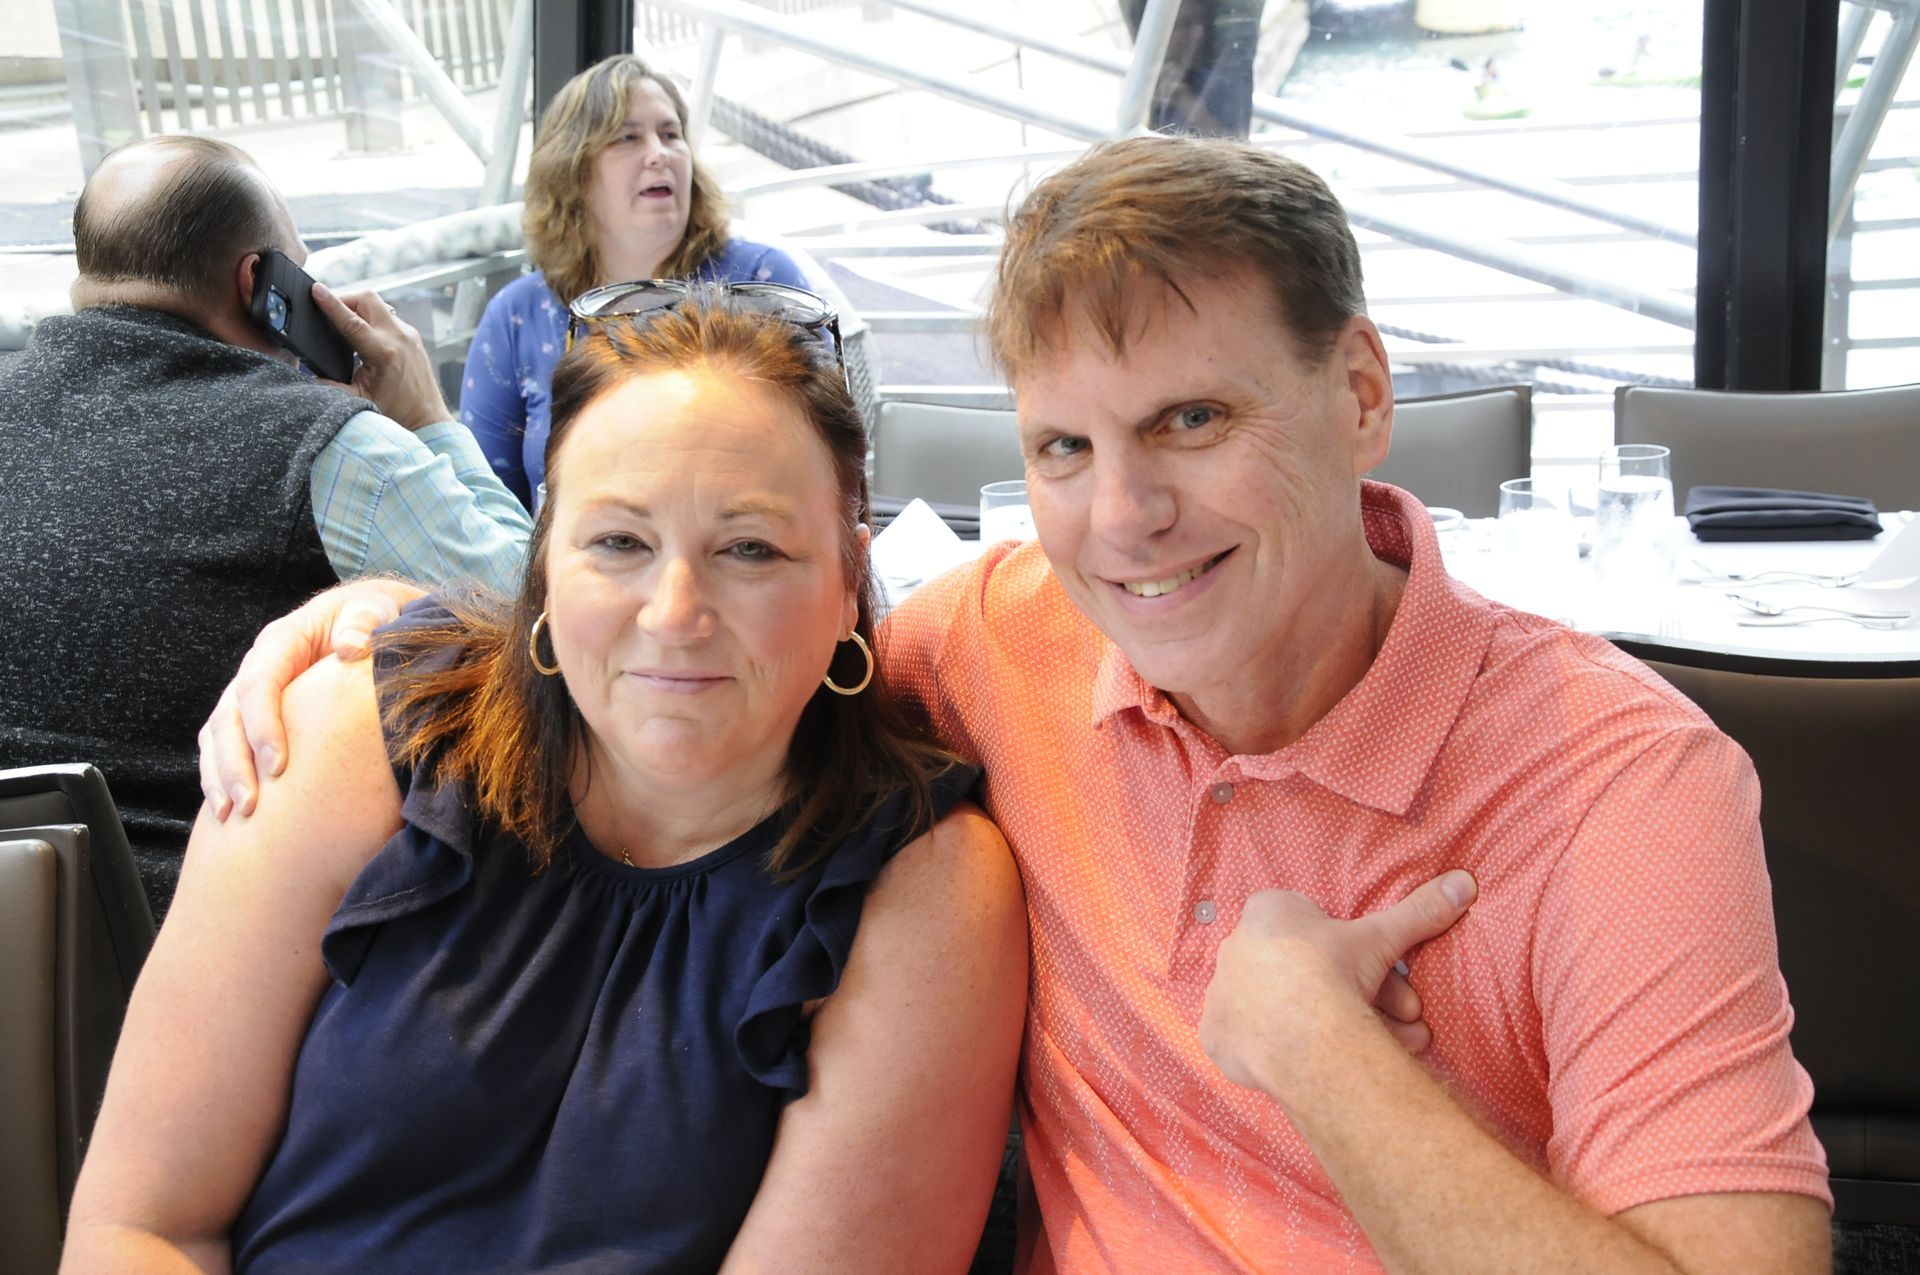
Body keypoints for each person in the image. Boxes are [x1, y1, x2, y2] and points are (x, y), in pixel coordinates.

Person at [200, 135, 1831, 1272]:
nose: (1122, 517)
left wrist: (1326, 1056)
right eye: (1063, 449)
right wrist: (403, 629)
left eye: (1192, 420)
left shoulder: (1623, 785)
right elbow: (712, 638)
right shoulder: (999, 641)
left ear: (1360, 393)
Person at [62, 288, 1027, 1272]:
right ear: (544, 564)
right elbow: (143, 1226)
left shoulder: (922, 898)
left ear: (845, 585)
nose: (673, 613)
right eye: (619, 543)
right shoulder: (359, 739)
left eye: (750, 549)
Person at [0, 134, 531, 917]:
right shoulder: (333, 449)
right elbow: (539, 615)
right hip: (227, 949)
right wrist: (429, 417)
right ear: (261, 284)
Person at [462, 53, 811, 509]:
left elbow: (827, 462)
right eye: (628, 138)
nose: (659, 153)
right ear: (574, 174)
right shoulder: (516, 316)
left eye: (671, 134)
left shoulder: (761, 284)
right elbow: (485, 501)